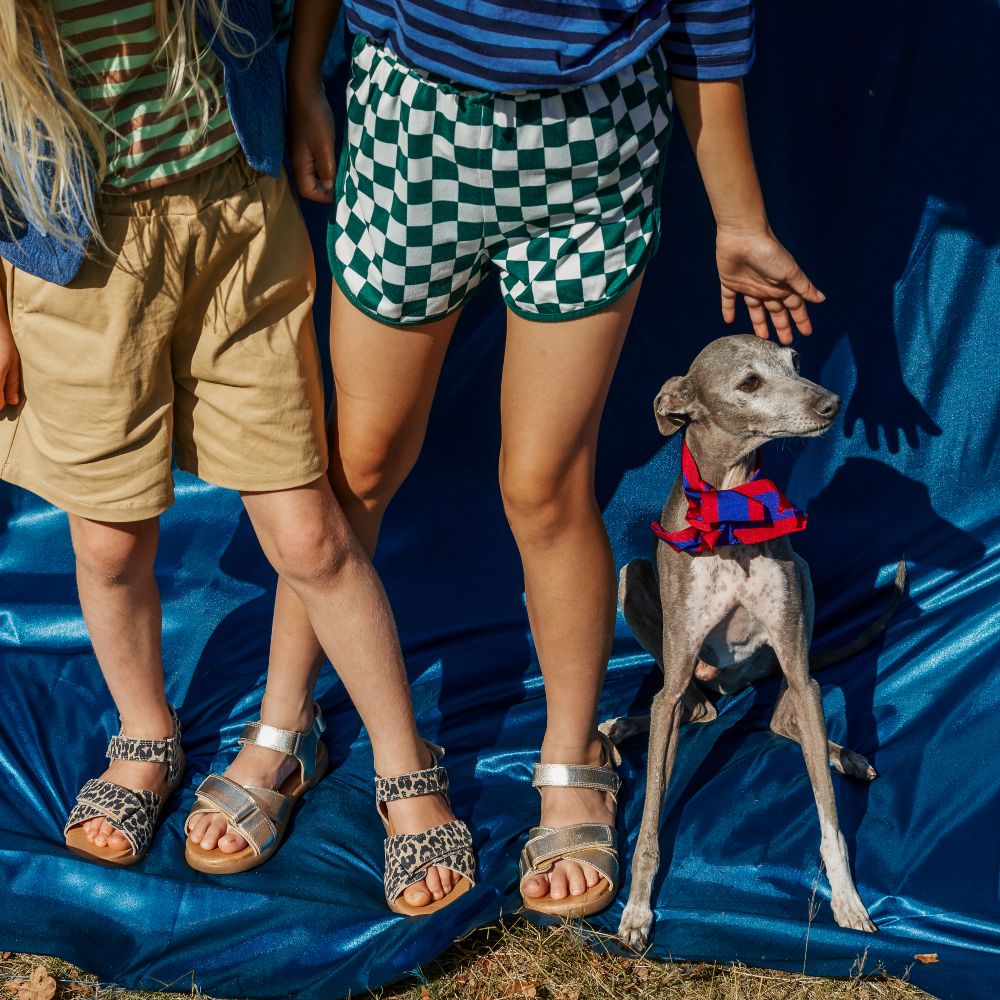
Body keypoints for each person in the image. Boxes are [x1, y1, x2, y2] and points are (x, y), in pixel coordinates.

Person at [284, 0, 824, 915]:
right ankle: (282, 723)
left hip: (595, 148)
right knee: (360, 462)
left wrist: (738, 217)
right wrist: (303, 75)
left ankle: (570, 757)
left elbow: (710, 23)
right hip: (414, 124)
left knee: (544, 483)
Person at [0, 0, 473, 914]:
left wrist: (301, 87)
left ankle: (407, 772)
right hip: (78, 255)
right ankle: (146, 735)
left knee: (311, 536)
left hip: (237, 220)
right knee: (106, 541)